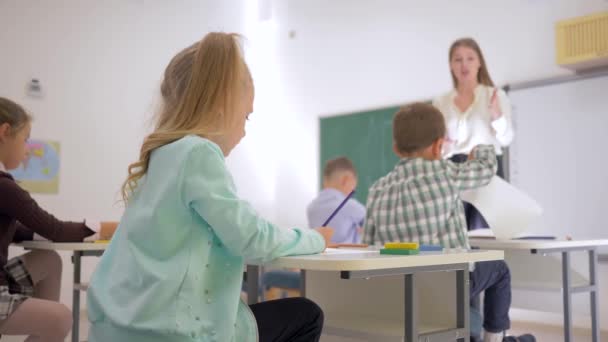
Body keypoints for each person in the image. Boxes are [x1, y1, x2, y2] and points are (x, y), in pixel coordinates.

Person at [86, 32, 333, 342]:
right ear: (222, 103)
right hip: (172, 331)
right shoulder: (198, 152)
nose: (244, 131)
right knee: (307, 314)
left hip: (118, 326)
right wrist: (314, 239)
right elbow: (252, 237)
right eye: (246, 116)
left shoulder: (159, 157)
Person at [363, 103, 533, 342]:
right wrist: (480, 149)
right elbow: (486, 168)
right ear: (438, 147)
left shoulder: (377, 189)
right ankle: (494, 338)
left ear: (396, 149)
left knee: (468, 270)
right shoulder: (447, 173)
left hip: (398, 293)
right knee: (498, 268)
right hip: (449, 287)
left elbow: (368, 247)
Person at [0, 97, 96, 341]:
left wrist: (39, 231)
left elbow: (16, 229)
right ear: (5, 132)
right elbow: (57, 230)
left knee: (48, 260)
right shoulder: (5, 188)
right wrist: (106, 229)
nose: (26, 151)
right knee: (60, 317)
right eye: (25, 139)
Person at [433, 37, 514, 230]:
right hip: (453, 169)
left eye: (470, 58)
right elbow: (437, 147)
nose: (464, 64)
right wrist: (443, 144)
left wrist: (497, 115)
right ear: (451, 66)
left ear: (479, 63)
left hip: (485, 168)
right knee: (455, 231)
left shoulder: (494, 95)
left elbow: (506, 138)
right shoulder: (440, 102)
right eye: (458, 59)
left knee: (484, 233)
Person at [307, 156, 365, 244]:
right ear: (345, 180)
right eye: (353, 185)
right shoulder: (351, 206)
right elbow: (373, 227)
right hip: (350, 257)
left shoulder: (311, 207)